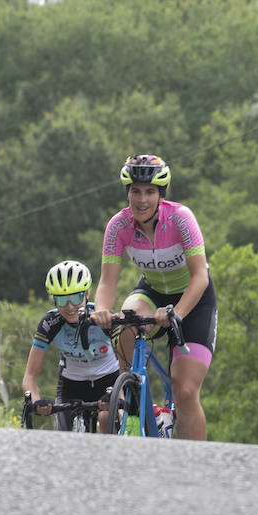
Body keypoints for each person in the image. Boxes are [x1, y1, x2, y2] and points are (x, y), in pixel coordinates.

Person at [92, 154, 216, 441]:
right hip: (151, 291)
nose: (142, 199)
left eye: (149, 192)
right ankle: (128, 391)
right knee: (126, 319)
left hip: (193, 298)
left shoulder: (181, 218)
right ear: (128, 193)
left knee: (185, 390)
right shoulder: (118, 226)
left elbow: (200, 276)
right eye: (135, 191)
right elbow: (107, 282)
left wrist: (177, 313)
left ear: (161, 195)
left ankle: (193, 465)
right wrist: (101, 310)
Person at [21, 260, 120, 431]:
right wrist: (37, 402)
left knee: (108, 419)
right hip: (71, 386)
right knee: (64, 439)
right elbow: (29, 377)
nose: (70, 306)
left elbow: (129, 364)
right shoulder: (50, 324)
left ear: (87, 293)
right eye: (62, 299)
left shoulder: (103, 318)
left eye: (75, 297)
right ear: (54, 300)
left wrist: (120, 395)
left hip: (110, 380)